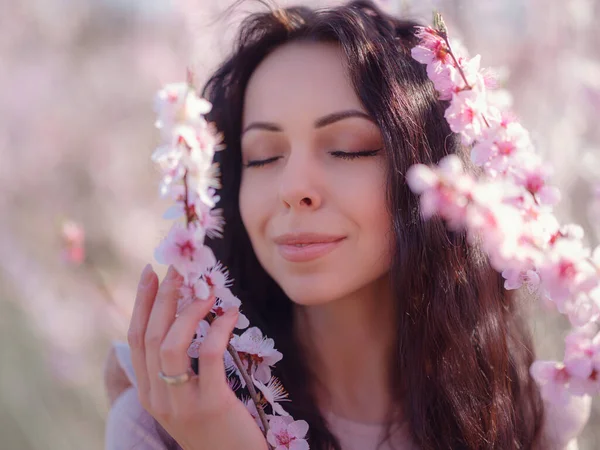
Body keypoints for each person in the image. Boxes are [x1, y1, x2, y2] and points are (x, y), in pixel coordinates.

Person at [103, 1, 592, 449]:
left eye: (347, 148)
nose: (293, 188)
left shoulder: (523, 409)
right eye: (264, 156)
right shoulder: (167, 423)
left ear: (433, 169)